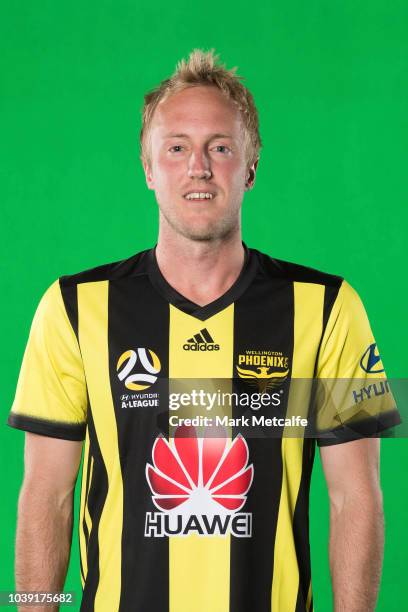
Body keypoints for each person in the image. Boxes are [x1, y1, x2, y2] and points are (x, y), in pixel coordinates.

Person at [8, 48, 401, 612]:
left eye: (220, 147)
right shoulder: (73, 307)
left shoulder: (326, 307)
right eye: (177, 148)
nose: (199, 167)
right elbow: (46, 496)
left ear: (251, 166)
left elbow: (354, 498)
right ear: (148, 168)